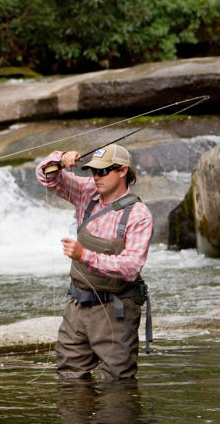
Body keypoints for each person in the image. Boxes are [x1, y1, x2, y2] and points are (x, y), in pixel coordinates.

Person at [35, 144, 153, 380]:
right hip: (77, 308)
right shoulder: (86, 191)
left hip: (116, 312)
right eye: (92, 171)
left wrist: (84, 255)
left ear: (122, 171)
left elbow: (130, 268)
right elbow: (44, 176)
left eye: (102, 171)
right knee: (69, 378)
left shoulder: (139, 214)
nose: (95, 177)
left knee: (118, 385)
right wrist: (61, 159)